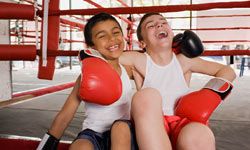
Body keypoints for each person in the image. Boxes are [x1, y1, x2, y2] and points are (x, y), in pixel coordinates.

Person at [119, 12, 236, 150]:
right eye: (151, 25)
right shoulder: (138, 59)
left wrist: (208, 94)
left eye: (163, 22)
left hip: (182, 123)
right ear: (142, 42)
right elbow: (107, 58)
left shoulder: (184, 61)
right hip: (152, 127)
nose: (159, 24)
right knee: (145, 97)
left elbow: (228, 71)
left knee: (199, 133)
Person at [37, 13, 138, 150]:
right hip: (93, 134)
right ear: (92, 46)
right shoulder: (87, 77)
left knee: (120, 129)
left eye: (115, 32)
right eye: (102, 36)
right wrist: (46, 146)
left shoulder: (128, 70)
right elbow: (66, 114)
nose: (112, 39)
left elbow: (152, 77)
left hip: (123, 133)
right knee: (80, 146)